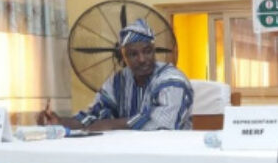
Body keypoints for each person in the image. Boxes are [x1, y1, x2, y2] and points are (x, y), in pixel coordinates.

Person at [38, 19, 193, 131]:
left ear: (154, 51)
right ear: (123, 57)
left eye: (147, 51)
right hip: (128, 155)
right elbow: (95, 116)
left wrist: (112, 124)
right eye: (133, 54)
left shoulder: (172, 80)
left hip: (170, 157)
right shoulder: (118, 81)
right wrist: (60, 122)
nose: (141, 59)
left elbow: (163, 122)